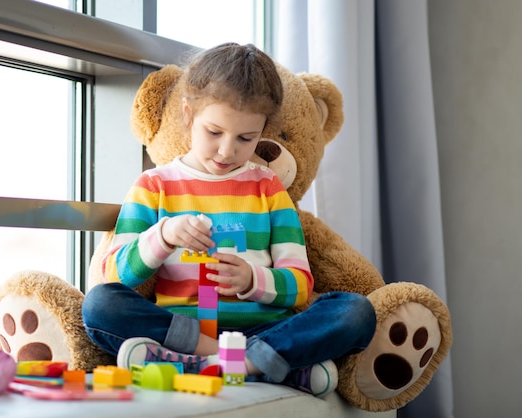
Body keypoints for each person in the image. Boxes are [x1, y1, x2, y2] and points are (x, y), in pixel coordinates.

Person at [82, 42, 376, 397]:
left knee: (356, 311)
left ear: (263, 129)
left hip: (263, 333)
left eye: (245, 138)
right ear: (188, 113)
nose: (227, 150)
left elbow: (299, 287)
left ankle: (222, 365)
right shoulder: (154, 185)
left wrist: (252, 279)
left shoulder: (267, 188)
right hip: (182, 333)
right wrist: (163, 235)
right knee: (99, 304)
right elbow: (113, 277)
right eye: (214, 132)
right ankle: (258, 366)